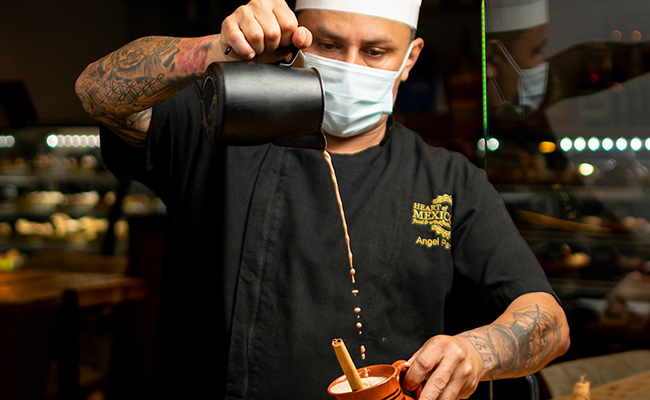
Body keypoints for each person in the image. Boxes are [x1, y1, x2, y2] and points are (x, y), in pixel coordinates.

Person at [75, 0, 570, 399]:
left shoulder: (448, 181)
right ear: (297, 39)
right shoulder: (219, 128)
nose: (350, 68)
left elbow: (547, 319)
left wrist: (478, 350)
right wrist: (214, 49)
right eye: (330, 45)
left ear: (410, 59)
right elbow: (96, 90)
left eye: (376, 52)